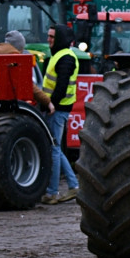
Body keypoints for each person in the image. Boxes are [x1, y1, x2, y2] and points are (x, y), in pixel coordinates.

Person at [41, 24, 80, 205]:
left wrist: (50, 105)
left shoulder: (65, 57)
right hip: (57, 108)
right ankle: (73, 186)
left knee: (54, 149)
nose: (48, 39)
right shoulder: (59, 55)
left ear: (61, 39)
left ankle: (52, 192)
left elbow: (61, 87)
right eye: (48, 36)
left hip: (57, 109)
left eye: (52, 36)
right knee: (57, 149)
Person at [0, 30, 52, 109]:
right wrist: (47, 102)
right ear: (18, 48)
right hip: (14, 106)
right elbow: (29, 85)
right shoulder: (14, 61)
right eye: (22, 49)